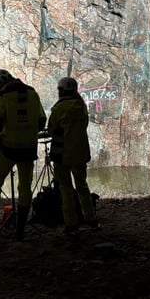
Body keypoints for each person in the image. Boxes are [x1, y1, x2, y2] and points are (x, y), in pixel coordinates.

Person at [0, 69, 46, 240]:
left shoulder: (3, 97)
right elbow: (41, 120)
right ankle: (20, 232)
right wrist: (28, 134)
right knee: (25, 188)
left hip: (7, 149)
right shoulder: (32, 94)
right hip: (28, 150)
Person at [47, 77, 98, 235]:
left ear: (61, 90)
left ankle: (71, 223)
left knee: (65, 189)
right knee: (82, 186)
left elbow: (50, 130)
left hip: (62, 155)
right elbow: (85, 125)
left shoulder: (59, 108)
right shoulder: (81, 106)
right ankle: (91, 219)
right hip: (80, 153)